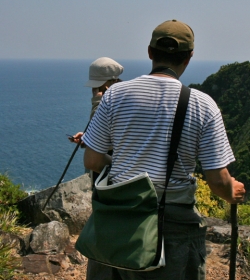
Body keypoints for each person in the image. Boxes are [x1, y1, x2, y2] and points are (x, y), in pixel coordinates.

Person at [83, 19, 246, 280]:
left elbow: (92, 160)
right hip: (172, 227)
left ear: (149, 52)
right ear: (189, 57)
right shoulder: (202, 105)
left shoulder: (114, 95)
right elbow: (217, 180)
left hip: (116, 220)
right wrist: (232, 191)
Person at [70, 56, 123, 280]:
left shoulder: (104, 103)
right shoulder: (126, 97)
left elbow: (100, 150)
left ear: (105, 85)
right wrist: (87, 138)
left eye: (96, 88)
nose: (93, 92)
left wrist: (97, 105)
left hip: (108, 177)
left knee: (106, 226)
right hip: (121, 173)